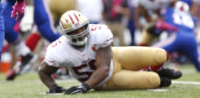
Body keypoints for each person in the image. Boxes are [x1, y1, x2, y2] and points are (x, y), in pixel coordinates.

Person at [38, 10, 182, 94]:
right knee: (155, 81)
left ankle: (154, 68)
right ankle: (153, 74)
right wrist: (53, 87)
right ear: (66, 33)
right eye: (75, 30)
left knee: (160, 54)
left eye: (83, 27)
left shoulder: (98, 32)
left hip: (114, 58)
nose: (81, 32)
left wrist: (84, 87)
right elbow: (43, 71)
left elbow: (104, 67)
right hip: (104, 81)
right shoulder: (58, 49)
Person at [152, 1, 200, 71]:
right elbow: (194, 31)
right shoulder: (191, 18)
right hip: (191, 38)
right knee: (197, 63)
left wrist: (157, 26)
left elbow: (160, 24)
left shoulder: (170, 11)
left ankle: (146, 68)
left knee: (154, 50)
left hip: (178, 35)